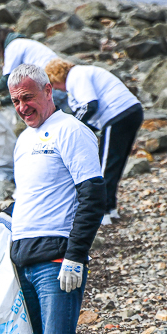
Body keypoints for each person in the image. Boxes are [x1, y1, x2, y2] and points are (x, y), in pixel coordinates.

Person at [5, 63, 106, 334]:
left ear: (49, 91)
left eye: (28, 97)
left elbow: (93, 195)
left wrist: (76, 256)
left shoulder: (71, 132)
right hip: (24, 264)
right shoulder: (24, 141)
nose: (22, 106)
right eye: (16, 101)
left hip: (56, 265)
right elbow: (29, 199)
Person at [44, 59, 143, 225]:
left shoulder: (76, 75)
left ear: (57, 76)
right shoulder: (82, 74)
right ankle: (110, 209)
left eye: (53, 84)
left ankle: (101, 212)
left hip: (117, 115)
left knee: (105, 167)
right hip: (132, 111)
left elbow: (89, 105)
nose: (55, 89)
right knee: (115, 164)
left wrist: (70, 127)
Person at [0, 27, 60, 99]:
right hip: (58, 74)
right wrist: (4, 101)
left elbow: (8, 79)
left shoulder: (13, 46)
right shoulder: (25, 43)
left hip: (48, 79)